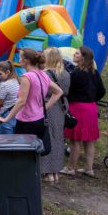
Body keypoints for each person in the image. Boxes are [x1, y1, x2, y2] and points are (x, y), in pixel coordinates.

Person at [0, 48, 63, 156]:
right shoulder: (43, 75)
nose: (19, 60)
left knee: (23, 153)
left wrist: (6, 119)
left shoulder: (27, 77)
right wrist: (44, 108)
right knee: (33, 153)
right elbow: (58, 92)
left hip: (26, 121)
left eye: (21, 57)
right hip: (39, 119)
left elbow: (21, 101)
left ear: (26, 60)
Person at [61, 46, 105, 178]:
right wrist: (92, 99)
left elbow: (68, 90)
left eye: (77, 53)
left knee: (75, 140)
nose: (74, 54)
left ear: (83, 57)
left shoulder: (75, 73)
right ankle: (89, 168)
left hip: (78, 108)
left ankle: (70, 167)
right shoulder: (94, 72)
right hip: (91, 108)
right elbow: (102, 91)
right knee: (89, 140)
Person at [40, 47, 71, 183]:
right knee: (58, 139)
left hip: (48, 107)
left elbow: (43, 93)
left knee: (47, 138)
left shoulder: (45, 74)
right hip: (61, 109)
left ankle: (47, 171)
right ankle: (56, 171)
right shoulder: (66, 74)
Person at [0, 60, 19, 134]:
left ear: (8, 72)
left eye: (0, 74)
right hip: (16, 115)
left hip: (6, 116)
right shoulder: (17, 81)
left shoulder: (4, 85)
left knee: (4, 141)